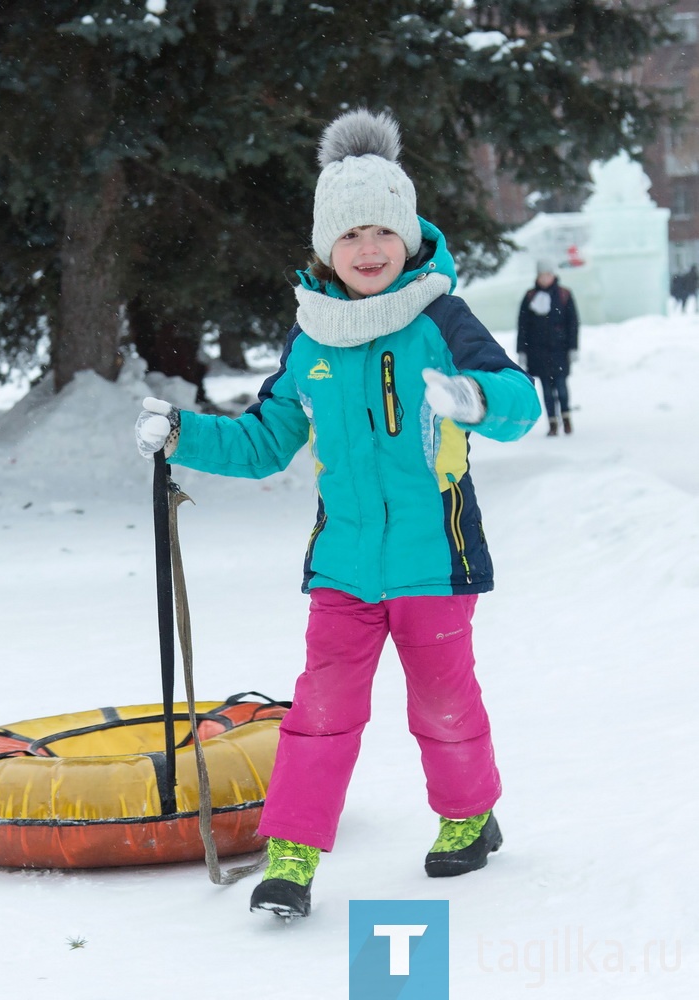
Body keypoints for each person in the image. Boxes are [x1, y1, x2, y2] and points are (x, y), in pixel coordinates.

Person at [135, 109, 541, 918]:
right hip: (345, 565)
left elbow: (520, 401)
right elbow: (263, 441)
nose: (367, 250)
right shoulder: (311, 338)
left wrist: (474, 397)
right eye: (349, 234)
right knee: (320, 710)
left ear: (407, 236)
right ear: (326, 247)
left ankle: (469, 818)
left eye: (381, 232)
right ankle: (292, 853)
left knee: (442, 702)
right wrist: (182, 433)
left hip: (434, 556)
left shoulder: (440, 320)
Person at [516, 260, 580, 436]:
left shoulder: (564, 295)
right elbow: (523, 326)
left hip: (559, 350)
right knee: (546, 389)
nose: (545, 278)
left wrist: (573, 347)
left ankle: (566, 417)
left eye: (548, 275)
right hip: (538, 352)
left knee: (561, 386)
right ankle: (552, 422)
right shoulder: (530, 296)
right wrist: (522, 350)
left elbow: (572, 323)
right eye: (542, 275)